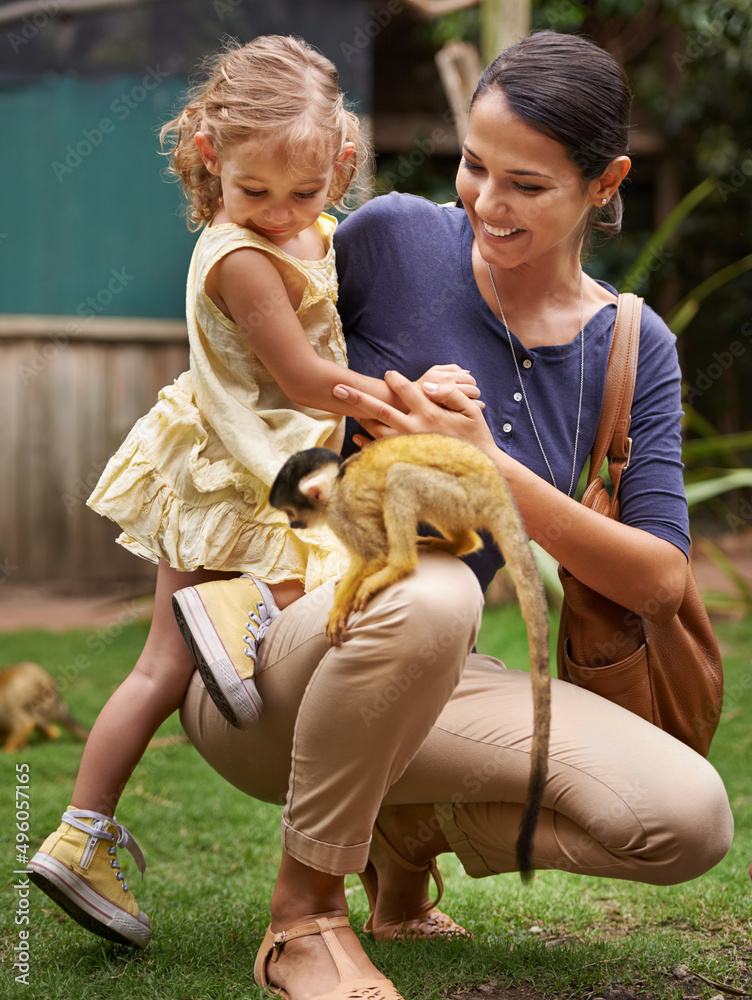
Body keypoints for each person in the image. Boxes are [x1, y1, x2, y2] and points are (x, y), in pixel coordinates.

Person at [174, 29, 734, 1000]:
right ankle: (302, 919)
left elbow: (655, 577)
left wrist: (487, 469)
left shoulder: (627, 345)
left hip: (414, 671)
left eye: (528, 183)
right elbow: (228, 385)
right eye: (475, 166)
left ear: (605, 185)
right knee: (433, 595)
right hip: (271, 661)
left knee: (684, 818)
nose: (485, 200)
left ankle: (406, 825)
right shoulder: (389, 237)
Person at [27, 34, 479, 951]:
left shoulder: (310, 231)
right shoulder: (237, 256)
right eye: (253, 192)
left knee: (162, 666)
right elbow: (309, 380)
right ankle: (237, 617)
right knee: (267, 634)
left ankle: (81, 835)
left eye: (303, 194)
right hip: (238, 474)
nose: (278, 215)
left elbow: (327, 361)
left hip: (258, 461)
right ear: (209, 157)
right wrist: (411, 399)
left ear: (341, 164)